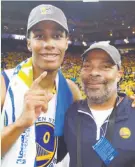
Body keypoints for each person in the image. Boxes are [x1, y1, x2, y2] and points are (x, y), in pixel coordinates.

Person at [1, 4, 82, 167]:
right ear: (29, 43)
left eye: (57, 36)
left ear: (66, 42)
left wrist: (124, 113)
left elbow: (88, 139)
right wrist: (20, 123)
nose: (49, 44)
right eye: (39, 36)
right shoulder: (4, 83)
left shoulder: (71, 91)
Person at [64, 41, 135, 167]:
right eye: (87, 66)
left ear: (119, 74)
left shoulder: (132, 113)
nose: (94, 73)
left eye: (105, 67)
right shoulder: (70, 114)